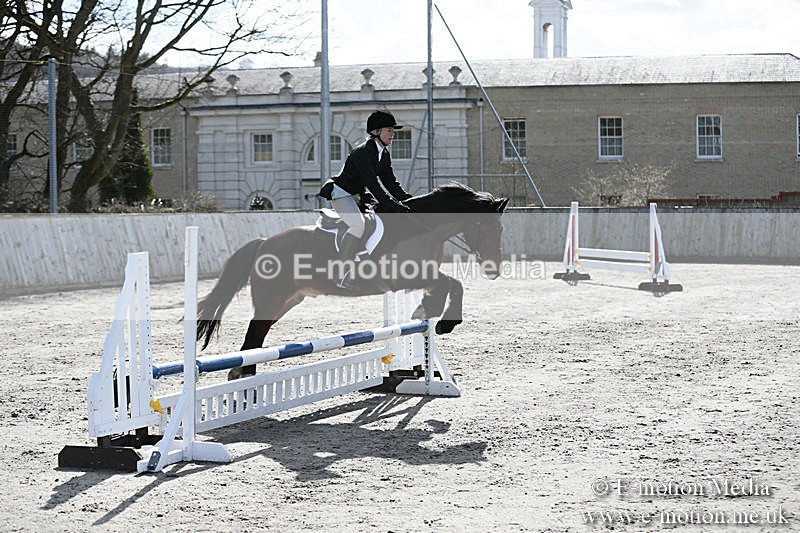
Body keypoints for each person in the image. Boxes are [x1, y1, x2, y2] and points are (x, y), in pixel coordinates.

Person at [319, 109, 413, 290]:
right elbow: (372, 183)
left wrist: (408, 201)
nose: (393, 134)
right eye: (389, 130)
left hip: (359, 196)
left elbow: (390, 182)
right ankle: (340, 274)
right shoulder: (362, 152)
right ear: (376, 132)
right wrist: (391, 204)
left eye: (393, 131)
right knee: (358, 225)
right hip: (342, 194)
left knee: (378, 222)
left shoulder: (383, 154)